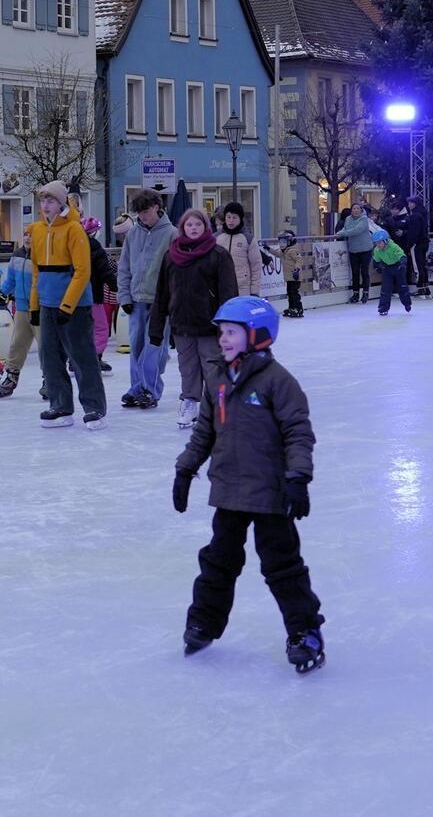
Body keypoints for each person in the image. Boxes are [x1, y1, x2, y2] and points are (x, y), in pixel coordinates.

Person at [172, 296, 325, 673]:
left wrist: (298, 479)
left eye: (230, 333)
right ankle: (204, 623)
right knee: (218, 562)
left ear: (256, 335)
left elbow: (298, 434)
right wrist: (185, 469)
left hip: (271, 494)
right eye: (221, 332)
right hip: (228, 491)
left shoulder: (279, 382)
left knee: (282, 567)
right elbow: (205, 432)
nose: (222, 339)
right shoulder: (219, 380)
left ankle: (305, 632)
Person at [146, 208, 238, 428]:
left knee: (213, 367)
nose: (193, 228)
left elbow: (228, 293)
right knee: (187, 368)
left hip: (209, 324)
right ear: (182, 228)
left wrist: (229, 326)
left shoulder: (218, 255)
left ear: (205, 227)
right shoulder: (171, 256)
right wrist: (156, 329)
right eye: (189, 225)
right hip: (182, 323)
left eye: (198, 224)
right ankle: (190, 403)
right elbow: (162, 294)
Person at [27, 181, 105, 429]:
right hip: (48, 304)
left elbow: (83, 272)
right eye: (43, 201)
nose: (45, 206)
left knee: (82, 357)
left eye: (50, 201)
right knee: (49, 357)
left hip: (75, 307)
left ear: (61, 203)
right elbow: (37, 272)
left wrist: (67, 306)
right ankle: (60, 405)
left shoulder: (74, 229)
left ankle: (94, 407)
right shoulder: (37, 230)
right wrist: (34, 307)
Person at [116, 190, 178, 409]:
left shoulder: (172, 234)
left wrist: (172, 300)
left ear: (156, 207)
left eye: (145, 211)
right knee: (136, 346)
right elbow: (124, 267)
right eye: (139, 213)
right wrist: (124, 295)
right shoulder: (133, 234)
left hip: (160, 301)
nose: (142, 216)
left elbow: (176, 271)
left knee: (155, 348)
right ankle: (137, 388)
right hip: (136, 298)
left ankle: (150, 390)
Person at [0, 241, 38, 399]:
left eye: (32, 235)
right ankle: (11, 376)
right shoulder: (17, 255)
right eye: (26, 234)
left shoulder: (42, 254)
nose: (28, 238)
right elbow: (11, 281)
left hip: (40, 308)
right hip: (21, 307)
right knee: (17, 344)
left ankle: (49, 379)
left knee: (47, 347)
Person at [83, 215, 118, 371]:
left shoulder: (76, 244)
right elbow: (105, 271)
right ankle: (95, 357)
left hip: (76, 295)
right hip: (94, 294)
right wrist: (116, 287)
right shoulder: (96, 247)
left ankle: (77, 358)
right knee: (101, 328)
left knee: (83, 328)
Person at [216, 202, 258, 300]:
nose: (231, 220)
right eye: (228, 217)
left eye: (234, 217)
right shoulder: (217, 238)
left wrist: (254, 292)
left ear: (240, 219)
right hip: (221, 287)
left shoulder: (248, 239)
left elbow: (256, 266)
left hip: (242, 288)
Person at [369, 227, 412, 317]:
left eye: (379, 242)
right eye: (376, 243)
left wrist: (403, 263)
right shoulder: (377, 250)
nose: (378, 245)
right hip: (387, 269)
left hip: (398, 267)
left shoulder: (393, 246)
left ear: (385, 241)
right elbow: (376, 260)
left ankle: (407, 303)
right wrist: (378, 267)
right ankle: (383, 308)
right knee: (386, 289)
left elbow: (401, 254)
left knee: (402, 286)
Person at [337, 206, 373, 304]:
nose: (355, 210)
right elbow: (345, 228)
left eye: (358, 209)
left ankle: (365, 293)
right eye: (354, 209)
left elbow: (357, 230)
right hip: (353, 249)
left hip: (365, 249)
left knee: (364, 271)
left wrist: (343, 233)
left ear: (361, 211)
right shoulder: (348, 219)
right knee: (355, 272)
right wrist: (339, 233)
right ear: (351, 210)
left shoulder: (364, 220)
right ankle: (355, 293)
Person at [401, 197, 433, 296]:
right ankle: (426, 288)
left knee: (417, 267)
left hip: (417, 243)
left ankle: (420, 289)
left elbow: (414, 232)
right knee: (422, 265)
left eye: (410, 203)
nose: (409, 205)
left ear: (414, 204)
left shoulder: (415, 216)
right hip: (424, 242)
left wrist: (409, 244)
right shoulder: (422, 213)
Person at [279, 231, 313, 319]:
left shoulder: (292, 251)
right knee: (290, 293)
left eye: (283, 242)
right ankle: (291, 308)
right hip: (289, 278)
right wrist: (268, 249)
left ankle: (298, 309)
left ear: (289, 242)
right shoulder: (284, 252)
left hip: (295, 277)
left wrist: (297, 269)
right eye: (280, 242)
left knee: (294, 293)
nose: (281, 244)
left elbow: (299, 260)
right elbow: (277, 253)